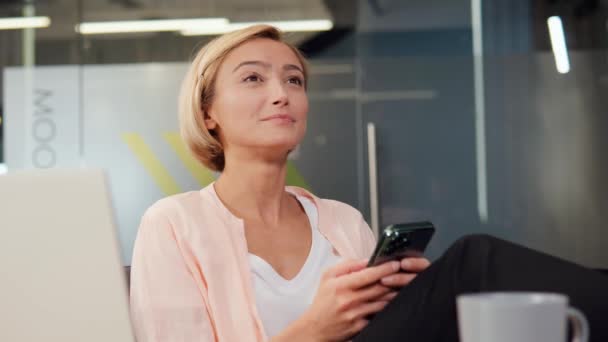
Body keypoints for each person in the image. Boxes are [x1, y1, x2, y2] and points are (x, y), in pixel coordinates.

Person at [129, 25, 608, 342]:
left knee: (471, 293)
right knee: (473, 261)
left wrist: (412, 300)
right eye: (253, 79)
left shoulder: (341, 221)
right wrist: (314, 329)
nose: (281, 94)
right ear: (208, 112)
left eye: (294, 81)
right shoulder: (173, 223)